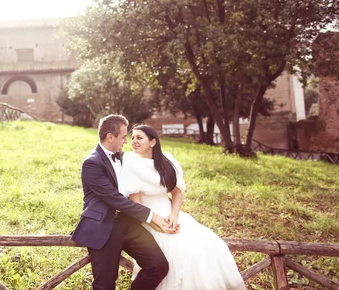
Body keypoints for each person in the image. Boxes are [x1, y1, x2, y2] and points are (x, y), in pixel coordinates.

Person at [123, 125, 246, 290]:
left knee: (207, 246)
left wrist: (174, 216)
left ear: (153, 142)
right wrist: (157, 223)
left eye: (139, 138)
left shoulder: (167, 160)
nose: (134, 142)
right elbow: (135, 202)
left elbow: (177, 191)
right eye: (132, 138)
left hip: (172, 214)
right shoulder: (130, 163)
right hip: (148, 217)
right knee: (177, 254)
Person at [71, 115, 173, 290]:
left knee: (159, 265)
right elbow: (114, 199)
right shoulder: (92, 163)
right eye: (124, 136)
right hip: (103, 227)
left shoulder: (125, 158)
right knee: (105, 285)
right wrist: (151, 215)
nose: (127, 141)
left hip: (128, 223)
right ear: (110, 137)